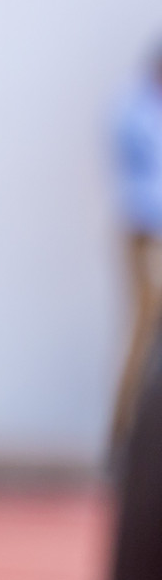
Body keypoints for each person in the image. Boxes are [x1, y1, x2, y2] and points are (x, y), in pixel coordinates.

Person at [110, 48, 162, 454]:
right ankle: (125, 435)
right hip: (145, 231)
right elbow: (141, 182)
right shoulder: (133, 109)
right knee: (146, 327)